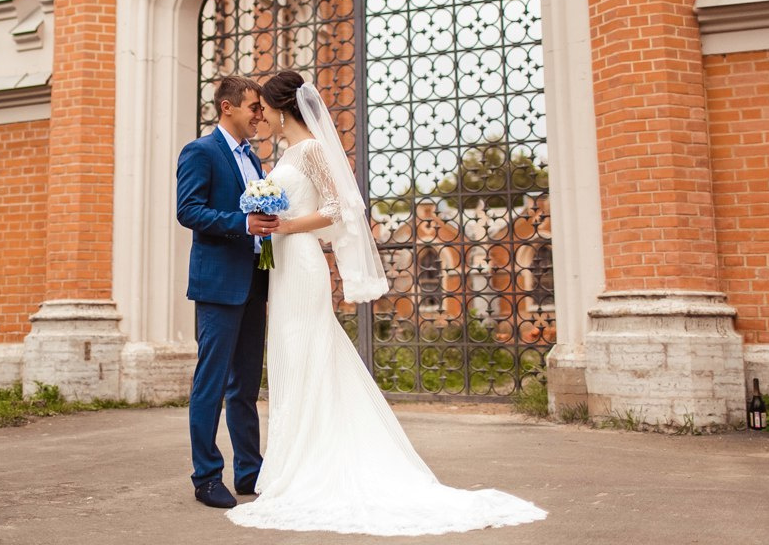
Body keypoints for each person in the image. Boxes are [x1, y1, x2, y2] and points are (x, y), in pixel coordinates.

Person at [225, 70, 547, 535]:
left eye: (265, 110)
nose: (261, 119)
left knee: (308, 356)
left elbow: (340, 209)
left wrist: (286, 226)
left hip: (303, 265)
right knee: (294, 361)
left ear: (280, 108)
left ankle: (309, 465)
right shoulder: (286, 154)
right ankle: (295, 461)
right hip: (284, 270)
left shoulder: (312, 149)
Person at [175, 76, 279, 509]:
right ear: (227, 107)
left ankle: (249, 473)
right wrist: (243, 224)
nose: (260, 115)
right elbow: (188, 210)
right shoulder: (201, 152)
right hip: (218, 285)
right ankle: (206, 477)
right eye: (253, 107)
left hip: (255, 281)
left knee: (246, 385)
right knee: (211, 383)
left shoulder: (254, 160)